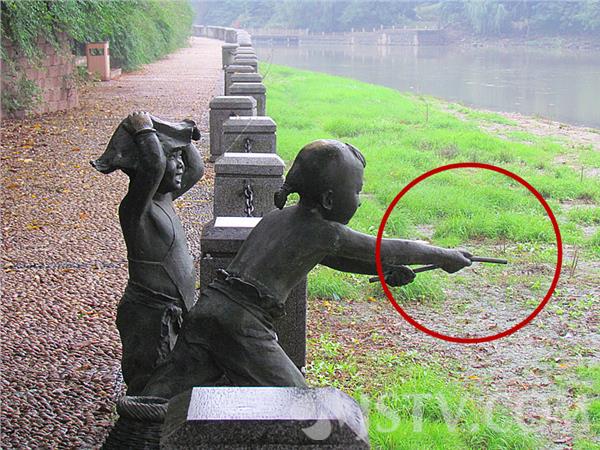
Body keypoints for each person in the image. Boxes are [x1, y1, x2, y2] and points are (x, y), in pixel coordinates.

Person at [139, 139, 472, 400]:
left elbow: (334, 258)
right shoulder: (323, 231)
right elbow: (387, 247)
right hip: (241, 324)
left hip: (209, 309)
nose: (359, 200)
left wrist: (385, 270)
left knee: (160, 394)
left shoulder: (279, 218)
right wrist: (444, 256)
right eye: (357, 191)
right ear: (328, 199)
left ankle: (132, 431)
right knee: (297, 403)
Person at [91, 111, 204, 395]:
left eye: (179, 157)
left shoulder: (165, 198)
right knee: (149, 379)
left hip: (175, 309)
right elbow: (154, 167)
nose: (180, 164)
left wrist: (182, 136)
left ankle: (164, 414)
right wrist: (143, 130)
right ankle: (138, 419)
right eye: (172, 157)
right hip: (150, 314)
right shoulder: (136, 209)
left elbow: (197, 169)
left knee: (171, 375)